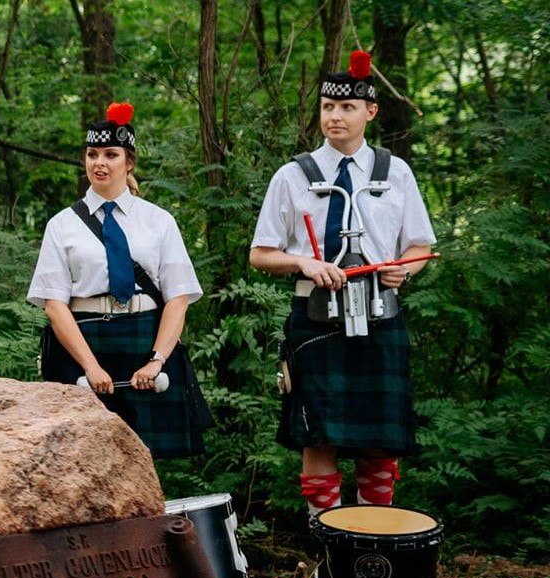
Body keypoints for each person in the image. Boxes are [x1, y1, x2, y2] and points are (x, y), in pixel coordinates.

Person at [248, 51, 435, 515]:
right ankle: (327, 547)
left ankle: (375, 544)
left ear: (370, 112)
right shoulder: (292, 177)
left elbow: (418, 247)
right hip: (315, 316)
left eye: (347, 107)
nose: (335, 116)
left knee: (380, 441)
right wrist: (303, 263)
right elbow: (259, 254)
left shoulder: (396, 174)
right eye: (328, 107)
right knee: (319, 437)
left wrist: (403, 271)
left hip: (380, 313)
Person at [29, 103, 210, 457]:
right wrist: (90, 366)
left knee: (146, 458)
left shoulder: (159, 221)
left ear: (129, 163)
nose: (99, 162)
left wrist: (157, 361)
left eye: (111, 154)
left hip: (145, 341)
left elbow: (177, 298)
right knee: (80, 459)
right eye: (92, 154)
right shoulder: (62, 225)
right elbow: (54, 304)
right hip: (84, 342)